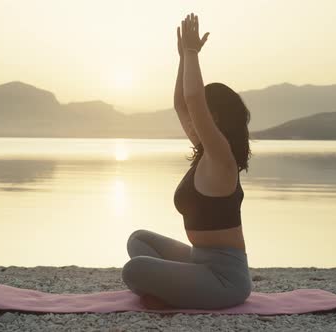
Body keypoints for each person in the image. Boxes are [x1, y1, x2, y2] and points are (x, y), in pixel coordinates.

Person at [122, 13, 252, 310]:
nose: (193, 117)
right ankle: (179, 284)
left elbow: (193, 100)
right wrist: (183, 56)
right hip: (199, 259)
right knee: (139, 239)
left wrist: (193, 52)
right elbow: (183, 102)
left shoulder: (222, 156)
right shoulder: (206, 151)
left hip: (225, 279)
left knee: (134, 270)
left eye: (204, 112)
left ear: (214, 116)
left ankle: (177, 287)